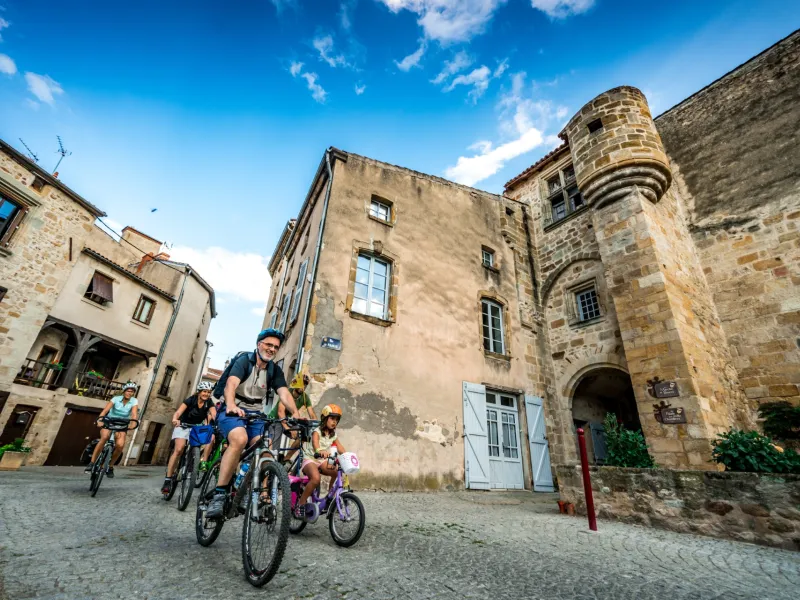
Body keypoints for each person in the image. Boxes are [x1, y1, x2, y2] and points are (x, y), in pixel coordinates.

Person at [205, 328, 300, 518]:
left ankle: (255, 492)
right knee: (239, 439)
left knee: (266, 451)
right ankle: (220, 494)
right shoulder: (244, 361)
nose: (272, 349)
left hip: (255, 414)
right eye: (268, 344)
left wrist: (296, 413)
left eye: (276, 347)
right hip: (233, 410)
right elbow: (231, 384)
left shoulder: (274, 370)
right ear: (259, 345)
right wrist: (231, 404)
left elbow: (284, 393)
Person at [161, 381, 217, 495]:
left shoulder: (209, 403)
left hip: (196, 428)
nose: (206, 394)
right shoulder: (190, 400)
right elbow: (178, 412)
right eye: (204, 391)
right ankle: (167, 480)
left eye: (209, 392)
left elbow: (214, 414)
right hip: (183, 425)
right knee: (179, 449)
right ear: (199, 392)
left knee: (201, 445)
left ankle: (191, 465)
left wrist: (218, 423)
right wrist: (175, 419)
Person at [295, 404, 346, 518]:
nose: (334, 422)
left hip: (321, 460)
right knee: (316, 479)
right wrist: (319, 450)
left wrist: (348, 456)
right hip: (310, 459)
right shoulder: (316, 431)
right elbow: (315, 443)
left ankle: (329, 496)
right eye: (332, 418)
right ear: (324, 418)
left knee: (336, 472)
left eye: (337, 420)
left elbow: (340, 447)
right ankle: (300, 504)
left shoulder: (333, 434)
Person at [84, 382, 139, 478]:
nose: (129, 393)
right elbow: (105, 411)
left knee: (120, 445)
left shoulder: (134, 401)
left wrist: (133, 424)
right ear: (124, 391)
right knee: (104, 437)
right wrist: (100, 420)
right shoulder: (116, 399)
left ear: (133, 393)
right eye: (128, 391)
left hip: (122, 424)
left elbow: (134, 414)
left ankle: (110, 466)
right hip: (109, 421)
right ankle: (92, 463)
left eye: (131, 391)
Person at [268, 371, 315, 463]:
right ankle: (272, 463)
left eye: (305, 385)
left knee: (304, 435)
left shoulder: (305, 397)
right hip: (275, 420)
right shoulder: (287, 392)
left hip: (288, 421)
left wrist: (316, 426)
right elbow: (280, 412)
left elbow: (312, 414)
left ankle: (286, 459)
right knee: (275, 448)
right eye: (301, 383)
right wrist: (288, 428)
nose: (303, 387)